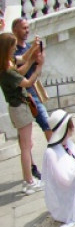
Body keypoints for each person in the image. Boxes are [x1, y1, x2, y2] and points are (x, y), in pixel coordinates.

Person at [0, 32, 44, 194]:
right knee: (26, 147)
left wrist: (33, 49)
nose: (14, 50)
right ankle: (29, 181)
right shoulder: (6, 70)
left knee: (27, 144)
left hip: (18, 107)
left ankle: (29, 180)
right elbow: (26, 82)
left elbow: (24, 60)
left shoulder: (8, 62)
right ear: (7, 49)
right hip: (19, 107)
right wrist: (38, 69)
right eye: (12, 47)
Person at [12, 18, 52, 144]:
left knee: (46, 122)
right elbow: (19, 73)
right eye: (24, 28)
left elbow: (38, 67)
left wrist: (40, 55)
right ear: (15, 30)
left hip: (34, 90)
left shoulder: (30, 47)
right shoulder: (13, 52)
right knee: (29, 131)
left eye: (28, 28)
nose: (27, 31)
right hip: (24, 93)